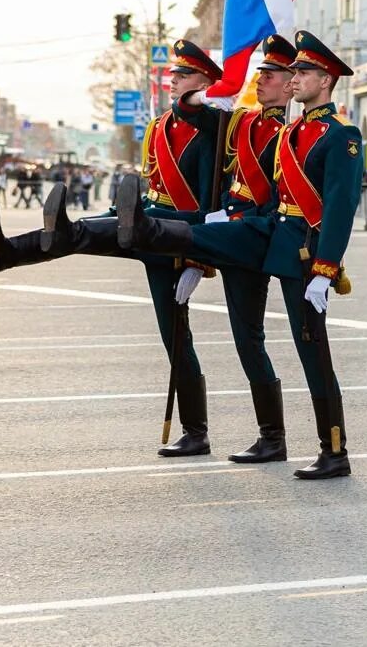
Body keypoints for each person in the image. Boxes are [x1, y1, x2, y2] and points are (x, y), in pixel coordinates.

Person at [114, 30, 364, 480]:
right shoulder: (290, 130)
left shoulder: (340, 135)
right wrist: (217, 91)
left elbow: (341, 208)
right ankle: (274, 438)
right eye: (292, 72)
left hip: (306, 254)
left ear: (324, 80)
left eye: (301, 72)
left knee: (313, 353)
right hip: (278, 243)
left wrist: (326, 269)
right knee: (248, 332)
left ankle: (335, 450)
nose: (293, 79)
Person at [0, 39, 219, 457]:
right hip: (147, 221)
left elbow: (211, 198)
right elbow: (153, 185)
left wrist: (198, 259)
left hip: (181, 235)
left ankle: (195, 431)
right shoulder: (160, 126)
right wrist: (117, 212)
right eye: (173, 73)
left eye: (182, 75)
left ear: (205, 82)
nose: (172, 79)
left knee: (175, 336)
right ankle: (6, 252)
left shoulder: (216, 127)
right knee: (75, 233)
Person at [150, 34, 299, 462]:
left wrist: (235, 225)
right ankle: (258, 437)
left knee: (250, 339)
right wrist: (215, 89)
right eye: (260, 72)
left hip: (253, 241)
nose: (262, 79)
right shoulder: (242, 122)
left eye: (271, 74)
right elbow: (188, 109)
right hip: (228, 234)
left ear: (291, 82)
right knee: (243, 338)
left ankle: (273, 437)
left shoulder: (292, 133)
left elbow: (281, 198)